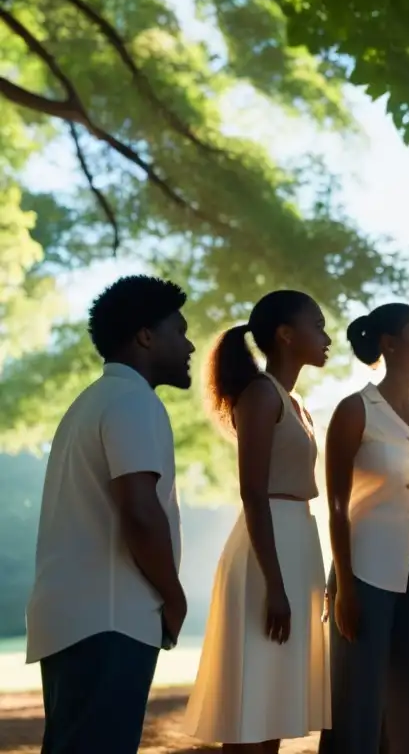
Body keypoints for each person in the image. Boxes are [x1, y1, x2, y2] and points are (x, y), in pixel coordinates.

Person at [25, 275, 194, 754]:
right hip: (111, 620)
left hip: (76, 618)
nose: (190, 345)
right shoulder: (133, 401)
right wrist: (173, 596)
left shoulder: (90, 403)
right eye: (179, 331)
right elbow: (139, 512)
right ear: (145, 335)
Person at [181, 290, 332, 752]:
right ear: (286, 335)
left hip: (297, 540)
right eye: (318, 326)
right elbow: (253, 492)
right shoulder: (262, 396)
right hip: (267, 555)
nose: (327, 338)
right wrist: (277, 585)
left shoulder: (296, 402)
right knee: (253, 707)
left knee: (274, 703)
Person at [318, 303, 409, 754]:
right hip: (365, 574)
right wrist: (345, 588)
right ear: (389, 344)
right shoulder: (356, 411)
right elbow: (336, 506)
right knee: (356, 705)